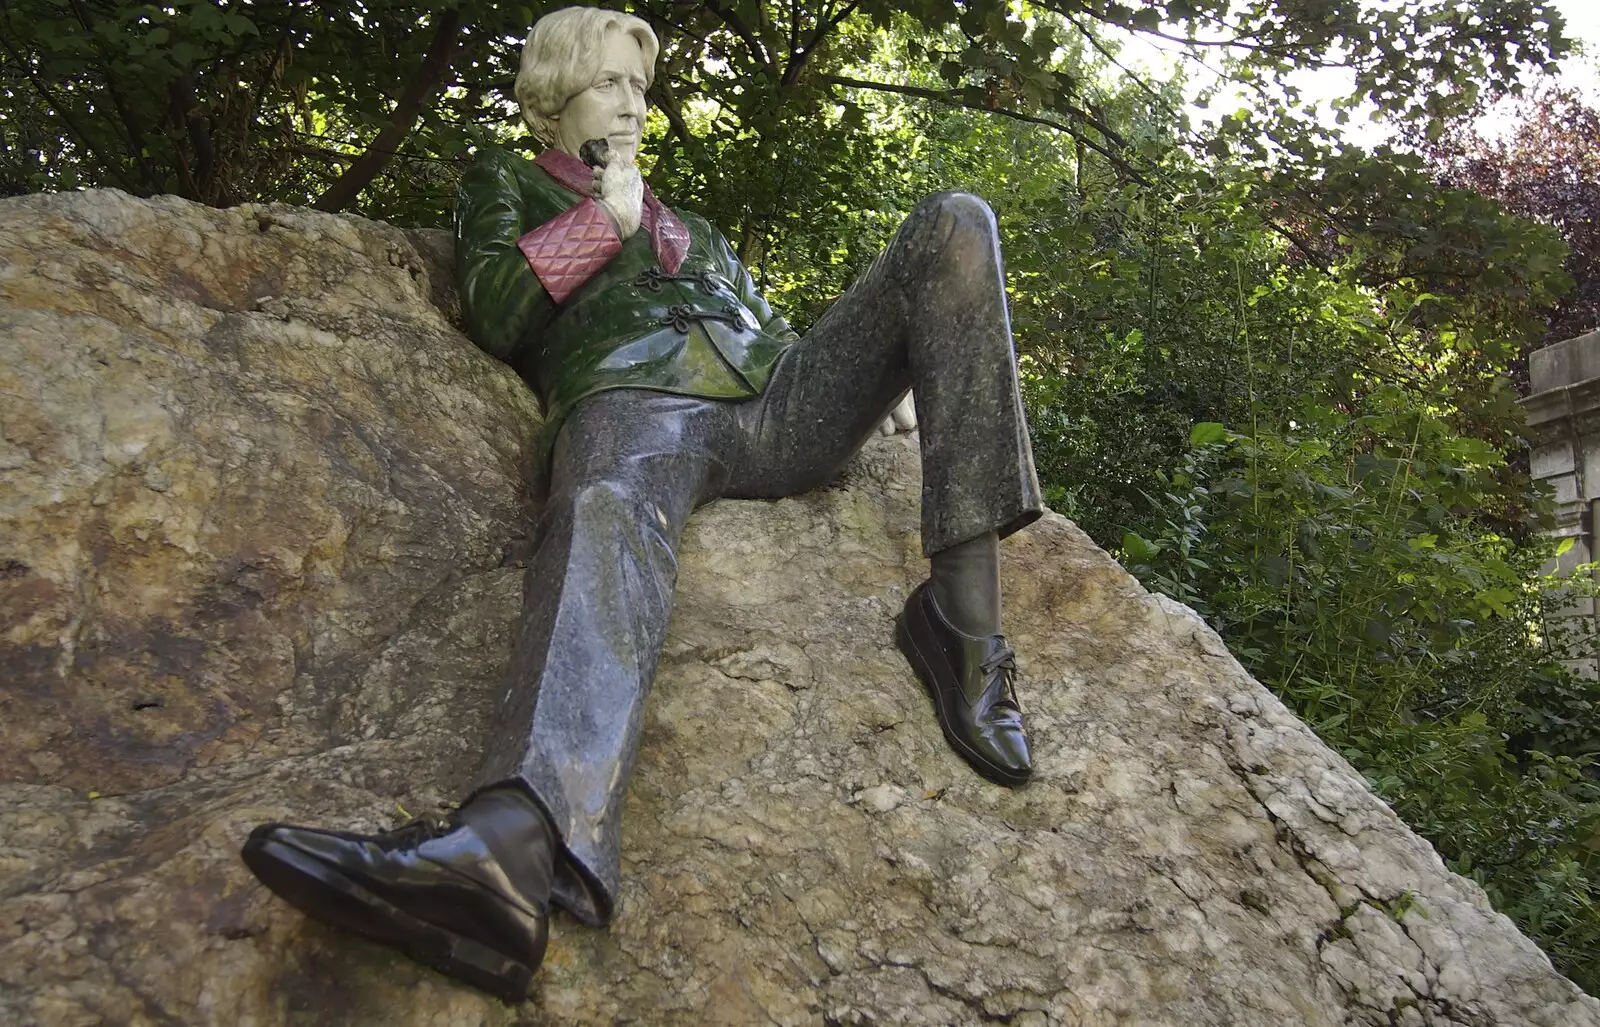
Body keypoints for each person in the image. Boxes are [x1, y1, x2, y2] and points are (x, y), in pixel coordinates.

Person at [240, 6, 1043, 1002]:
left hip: (773, 404)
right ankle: (511, 848)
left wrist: (899, 379)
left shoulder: (696, 227)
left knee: (957, 221)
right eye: (612, 82)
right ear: (553, 93)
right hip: (636, 402)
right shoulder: (507, 180)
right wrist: (604, 219)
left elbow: (777, 329)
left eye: (639, 86)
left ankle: (963, 631)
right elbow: (494, 306)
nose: (634, 102)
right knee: (607, 508)